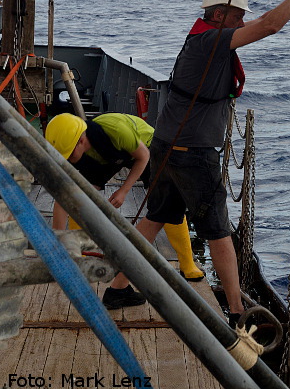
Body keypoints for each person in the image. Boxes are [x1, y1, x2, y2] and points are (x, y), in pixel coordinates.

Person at [105, 0, 290, 320]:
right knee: (218, 231)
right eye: (237, 16)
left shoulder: (199, 39)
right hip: (193, 152)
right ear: (218, 15)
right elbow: (270, 25)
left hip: (167, 146)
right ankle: (236, 312)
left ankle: (118, 288)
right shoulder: (213, 41)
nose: (243, 23)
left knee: (155, 218)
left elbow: (268, 22)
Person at [44, 112, 205, 289]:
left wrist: (123, 190)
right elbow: (63, 200)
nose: (66, 160)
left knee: (168, 203)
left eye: (68, 155)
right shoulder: (76, 151)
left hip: (146, 149)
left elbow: (143, 156)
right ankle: (78, 258)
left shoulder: (116, 131)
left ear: (81, 141)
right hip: (105, 156)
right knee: (76, 197)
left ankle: (187, 263)